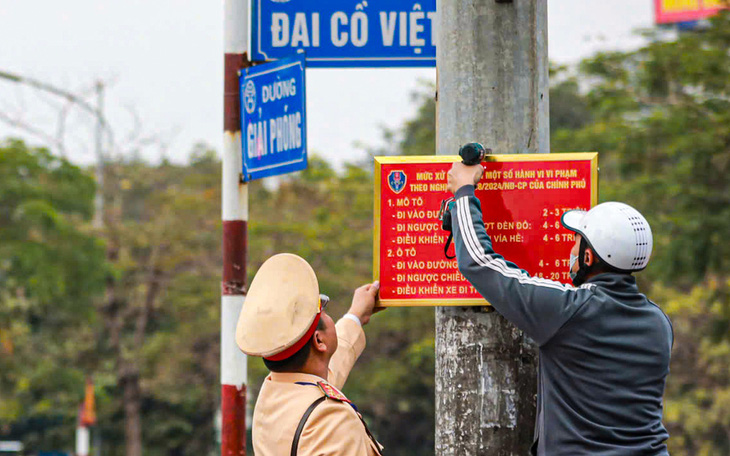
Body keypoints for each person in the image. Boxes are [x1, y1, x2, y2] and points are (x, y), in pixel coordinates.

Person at [446, 161, 673, 455]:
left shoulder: (570, 311)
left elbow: (481, 263)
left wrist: (463, 193)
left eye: (576, 241)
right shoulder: (659, 322)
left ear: (589, 257)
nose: (570, 249)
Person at [236, 253, 384, 456]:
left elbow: (323, 378)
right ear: (319, 341)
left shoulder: (273, 391)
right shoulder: (332, 419)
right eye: (323, 311)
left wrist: (356, 315)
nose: (327, 313)